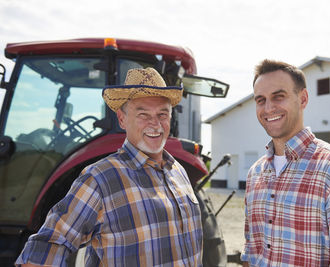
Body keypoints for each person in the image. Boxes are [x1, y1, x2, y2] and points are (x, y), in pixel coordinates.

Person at [16, 68, 203, 266]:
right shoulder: (100, 178)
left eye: (162, 114)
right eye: (143, 114)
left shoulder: (178, 171)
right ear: (122, 119)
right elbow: (49, 246)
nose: (155, 124)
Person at [241, 59, 330, 266]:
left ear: (303, 99)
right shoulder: (255, 173)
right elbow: (252, 252)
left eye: (279, 97)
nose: (268, 108)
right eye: (260, 100)